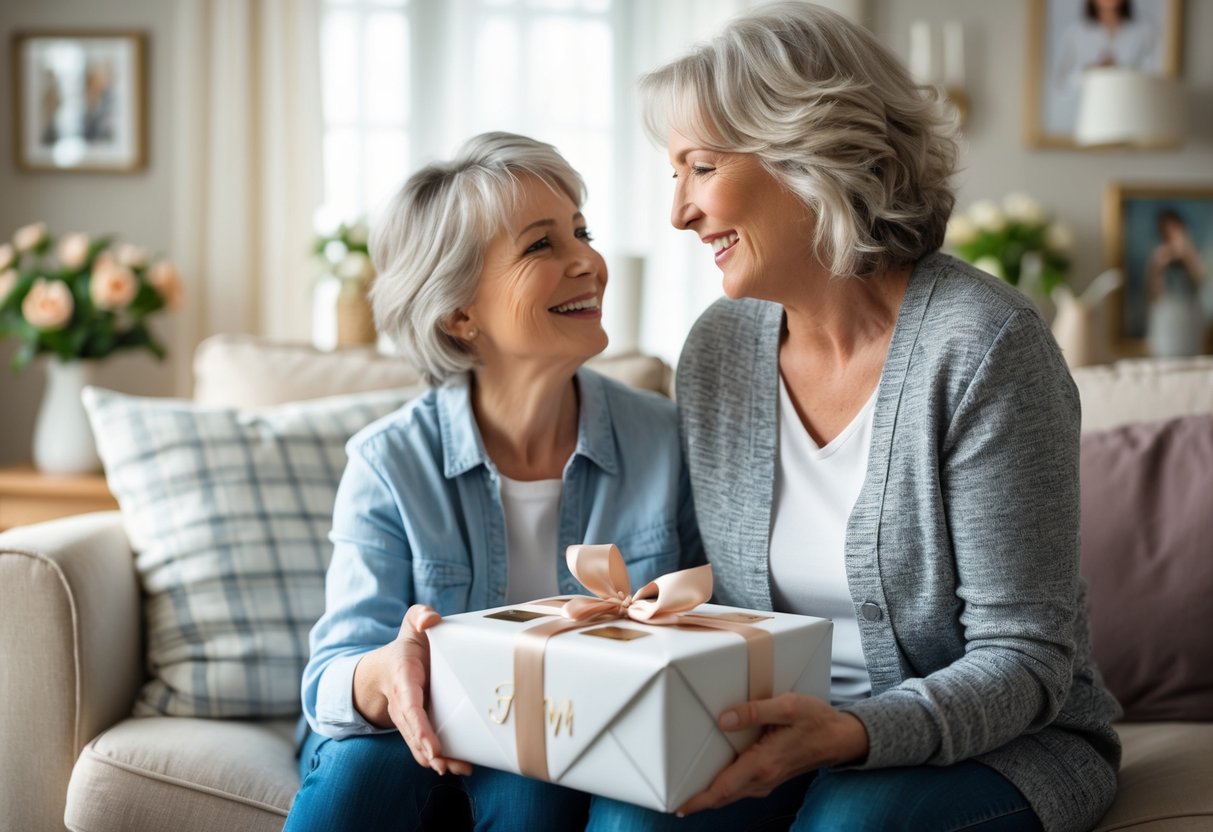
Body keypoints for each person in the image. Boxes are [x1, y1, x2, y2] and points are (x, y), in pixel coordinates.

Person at [593, 3, 1123, 831]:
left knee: (848, 825)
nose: (679, 212)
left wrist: (850, 732)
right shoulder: (719, 349)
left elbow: (1025, 661)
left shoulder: (982, 346)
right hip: (775, 733)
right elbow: (716, 593)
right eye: (673, 175)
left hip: (999, 746)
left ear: (807, 153)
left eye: (699, 167)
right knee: (634, 818)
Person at [283, 131, 703, 831]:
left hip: (572, 738)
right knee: (362, 768)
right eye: (541, 245)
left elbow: (711, 632)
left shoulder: (664, 440)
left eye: (582, 231)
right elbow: (332, 673)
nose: (588, 262)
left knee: (529, 785)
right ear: (459, 313)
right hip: (406, 746)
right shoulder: (390, 461)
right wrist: (387, 673)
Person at [1054, 0, 1161, 94]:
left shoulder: (1145, 31)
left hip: (1131, 105)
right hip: (1090, 108)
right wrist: (1092, 72)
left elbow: (1155, 74)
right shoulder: (1075, 34)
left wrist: (1122, 72)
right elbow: (1061, 83)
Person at [1146, 208, 1206, 357]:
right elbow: (1153, 292)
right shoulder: (1159, 255)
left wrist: (1187, 253)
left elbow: (1201, 282)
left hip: (1189, 315)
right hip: (1166, 315)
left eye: (1175, 227)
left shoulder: (1192, 252)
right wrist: (1160, 264)